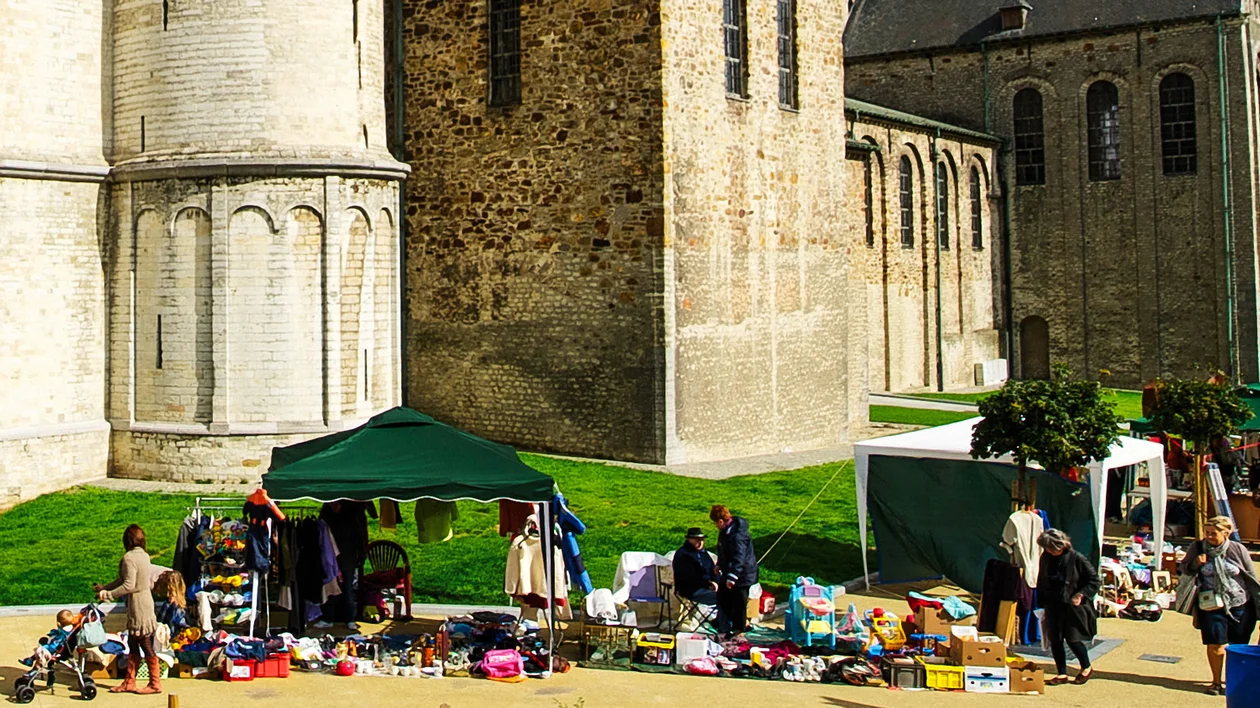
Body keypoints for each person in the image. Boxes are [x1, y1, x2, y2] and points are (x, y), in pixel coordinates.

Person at [1181, 516, 1260, 696]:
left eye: (1213, 533)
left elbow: (1251, 579)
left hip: (1240, 604)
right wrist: (1196, 563)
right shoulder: (1198, 548)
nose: (1208, 536)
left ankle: (1234, 682)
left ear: (1226, 533)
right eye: (1206, 532)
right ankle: (1216, 682)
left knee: (1238, 646)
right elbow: (1184, 569)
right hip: (1211, 605)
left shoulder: (1237, 549)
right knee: (1215, 644)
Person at [94, 524, 160, 695]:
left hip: (138, 605)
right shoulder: (144, 556)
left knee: (144, 643)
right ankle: (129, 682)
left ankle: (155, 683)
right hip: (145, 601)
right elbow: (123, 579)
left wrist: (107, 595)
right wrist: (105, 588)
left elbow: (128, 585)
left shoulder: (129, 558)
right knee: (133, 643)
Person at [1036, 529, 1100, 687]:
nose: (1049, 551)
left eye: (1051, 548)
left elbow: (1093, 580)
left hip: (1071, 605)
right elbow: (1042, 578)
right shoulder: (1046, 557)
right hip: (1053, 602)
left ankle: (1086, 667)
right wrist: (1041, 602)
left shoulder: (1076, 558)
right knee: (1055, 640)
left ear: (1060, 545)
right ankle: (1061, 673)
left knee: (1073, 639)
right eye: (1047, 549)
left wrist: (1080, 595)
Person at [316, 501, 376, 630]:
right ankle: (328, 618)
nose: (333, 505)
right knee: (329, 587)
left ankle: (349, 619)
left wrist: (361, 554)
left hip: (347, 556)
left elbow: (358, 536)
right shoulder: (326, 516)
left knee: (348, 589)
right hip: (329, 557)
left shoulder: (350, 516)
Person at [710, 505, 758, 638]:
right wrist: (720, 564)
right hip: (730, 569)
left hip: (743, 574)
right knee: (723, 596)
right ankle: (723, 622)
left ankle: (739, 629)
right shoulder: (725, 532)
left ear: (720, 521)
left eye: (715, 523)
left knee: (739, 602)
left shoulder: (738, 535)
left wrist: (732, 577)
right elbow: (723, 549)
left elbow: (739, 557)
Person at [672, 527, 719, 606]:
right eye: (697, 540)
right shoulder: (682, 554)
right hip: (691, 590)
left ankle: (722, 618)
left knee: (732, 596)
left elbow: (713, 570)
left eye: (702, 540)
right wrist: (708, 584)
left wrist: (716, 582)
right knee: (724, 599)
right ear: (689, 540)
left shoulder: (703, 553)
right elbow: (688, 577)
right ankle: (722, 618)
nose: (700, 542)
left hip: (707, 587)